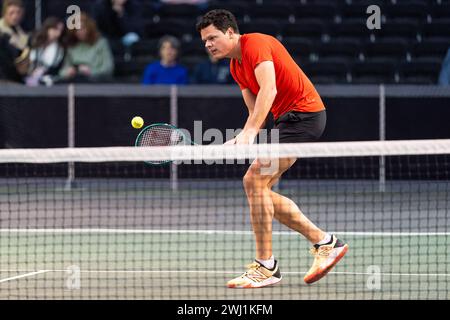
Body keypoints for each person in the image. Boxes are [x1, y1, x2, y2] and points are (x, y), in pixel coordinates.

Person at [196, 9, 348, 288]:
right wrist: (243, 135)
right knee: (259, 189)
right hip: (287, 121)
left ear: (231, 32)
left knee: (253, 179)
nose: (208, 44)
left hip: (304, 116)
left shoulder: (256, 44)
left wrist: (252, 132)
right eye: (204, 40)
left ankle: (267, 266)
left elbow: (270, 90)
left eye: (213, 37)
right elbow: (257, 111)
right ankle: (325, 242)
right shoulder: (235, 66)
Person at [59, 12, 114, 83]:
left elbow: (108, 68)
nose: (79, 32)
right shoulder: (71, 46)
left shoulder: (101, 43)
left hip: (96, 83)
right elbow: (62, 71)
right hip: (76, 82)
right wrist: (68, 72)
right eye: (76, 29)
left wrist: (91, 71)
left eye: (82, 28)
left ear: (89, 28)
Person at [26, 17, 65, 86]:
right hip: (29, 77)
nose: (58, 33)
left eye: (60, 31)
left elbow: (56, 68)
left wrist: (43, 71)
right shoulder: (35, 41)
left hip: (49, 81)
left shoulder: (60, 48)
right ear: (47, 28)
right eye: (55, 29)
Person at [0, 0, 30, 79]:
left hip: (17, 79)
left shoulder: (23, 34)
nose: (15, 16)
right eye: (11, 13)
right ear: (4, 13)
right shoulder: (1, 33)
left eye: (18, 12)